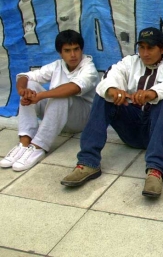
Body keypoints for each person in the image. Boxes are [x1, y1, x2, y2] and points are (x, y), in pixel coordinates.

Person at [60, 27, 163, 198]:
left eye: (150, 48)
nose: (145, 53)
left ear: (162, 49)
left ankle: (155, 170)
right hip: (132, 129)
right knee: (103, 95)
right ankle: (88, 162)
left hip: (161, 129)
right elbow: (109, 78)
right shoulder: (129, 62)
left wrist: (151, 93)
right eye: (141, 47)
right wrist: (113, 91)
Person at [0, 30, 99, 171]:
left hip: (81, 119)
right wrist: (24, 91)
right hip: (56, 117)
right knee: (31, 86)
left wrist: (40, 96)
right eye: (67, 50)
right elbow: (24, 76)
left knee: (62, 95)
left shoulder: (89, 68)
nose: (73, 55)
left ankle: (38, 146)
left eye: (76, 49)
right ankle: (24, 142)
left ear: (81, 50)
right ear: (60, 53)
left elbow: (74, 88)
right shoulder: (57, 65)